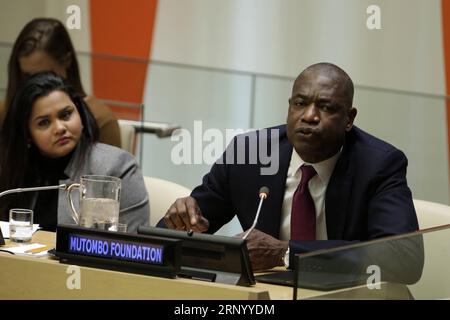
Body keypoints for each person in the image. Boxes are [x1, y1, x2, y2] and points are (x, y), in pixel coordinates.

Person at [162, 62, 419, 271]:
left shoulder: (378, 165)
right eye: (300, 103)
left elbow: (404, 259)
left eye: (326, 107)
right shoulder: (249, 154)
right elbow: (175, 234)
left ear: (349, 119)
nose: (309, 116)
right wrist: (183, 218)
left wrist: (285, 252)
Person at [0, 72, 149, 233]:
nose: (60, 128)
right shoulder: (10, 169)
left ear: (79, 112)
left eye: (65, 114)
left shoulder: (117, 167)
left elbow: (132, 244)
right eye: (44, 122)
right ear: (27, 134)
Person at [0, 18, 121, 148]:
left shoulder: (101, 119)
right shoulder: (5, 112)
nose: (35, 84)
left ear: (67, 61)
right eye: (26, 76)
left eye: (44, 75)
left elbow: (112, 167)